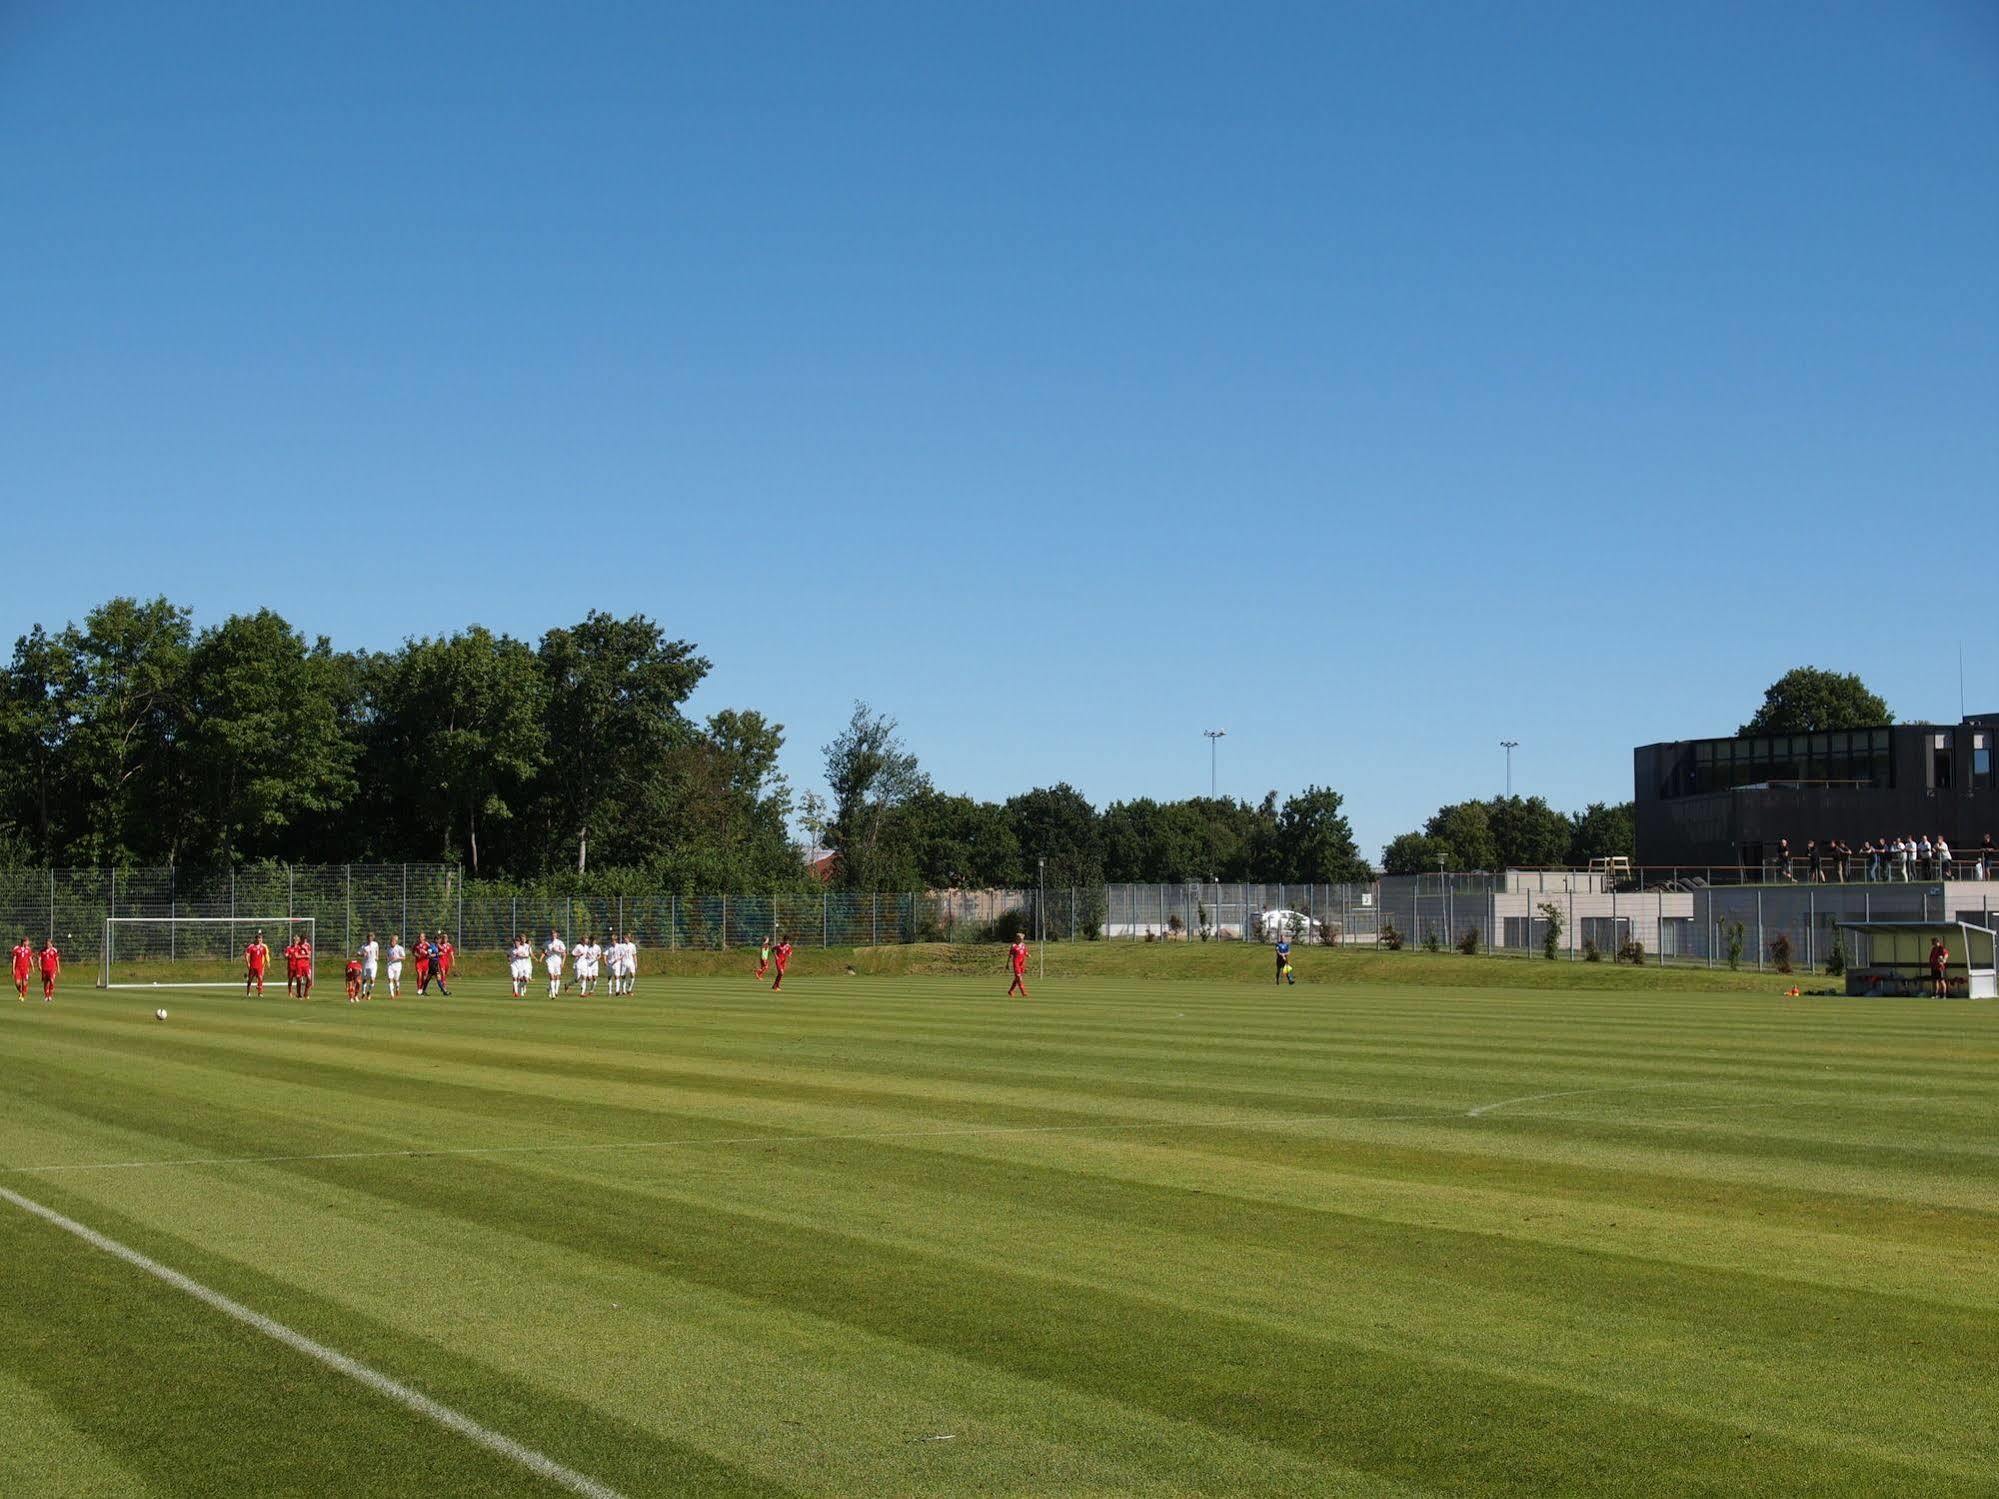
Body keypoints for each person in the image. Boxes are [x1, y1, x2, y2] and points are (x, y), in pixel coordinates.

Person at [244, 931, 269, 997]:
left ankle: (260, 993)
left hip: (259, 966)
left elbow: (265, 955)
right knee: (250, 980)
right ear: (256, 939)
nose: (260, 939)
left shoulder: (263, 947)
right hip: (252, 966)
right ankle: (248, 992)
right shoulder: (251, 946)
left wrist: (267, 963)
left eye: (261, 938)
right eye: (259, 938)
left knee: (260, 979)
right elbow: (246, 955)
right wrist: (248, 963)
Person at [544, 928, 567, 998]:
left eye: (554, 933)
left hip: (558, 961)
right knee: (551, 976)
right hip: (549, 961)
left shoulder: (560, 942)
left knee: (557, 977)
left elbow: (564, 952)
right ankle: (553, 994)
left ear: (556, 935)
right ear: (550, 935)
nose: (553, 935)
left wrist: (562, 962)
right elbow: (543, 950)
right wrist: (545, 955)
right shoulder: (547, 943)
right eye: (552, 933)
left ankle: (555, 991)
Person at [1008, 933, 1029, 997]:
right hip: (1016, 964)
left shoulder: (1023, 945)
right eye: (1020, 939)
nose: (1022, 940)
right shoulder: (1013, 946)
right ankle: (1023, 992)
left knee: (1017, 979)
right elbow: (1010, 955)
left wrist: (1028, 955)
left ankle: (1011, 991)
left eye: (1022, 939)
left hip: (1022, 964)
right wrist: (1007, 964)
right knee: (1019, 978)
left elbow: (1025, 952)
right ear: (1017, 938)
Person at [360, 931, 380, 999]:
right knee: (364, 980)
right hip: (366, 964)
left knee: (372, 979)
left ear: (373, 938)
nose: (370, 939)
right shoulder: (364, 946)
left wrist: (377, 956)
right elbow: (358, 953)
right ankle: (363, 992)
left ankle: (369, 992)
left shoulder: (375, 944)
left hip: (373, 964)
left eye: (371, 938)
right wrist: (363, 954)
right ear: (367, 938)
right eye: (369, 938)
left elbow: (377, 950)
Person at [13, 935, 33, 1001]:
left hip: (25, 969)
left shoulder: (28, 949)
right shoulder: (16, 948)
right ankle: (20, 992)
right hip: (18, 969)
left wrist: (32, 967)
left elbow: (30, 958)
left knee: (24, 983)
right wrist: (13, 968)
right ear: (24, 942)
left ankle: (22, 996)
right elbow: (14, 959)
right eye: (27, 941)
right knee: (17, 983)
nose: (28, 943)